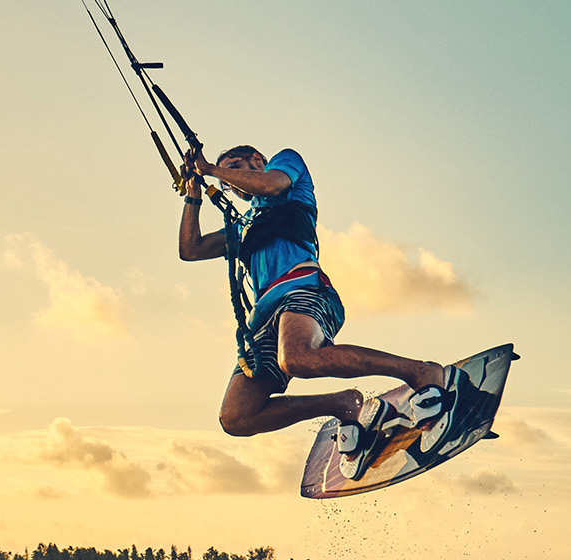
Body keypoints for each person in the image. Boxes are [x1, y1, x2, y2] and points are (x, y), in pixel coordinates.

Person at [177, 145, 467, 477]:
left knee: (298, 358)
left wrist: (212, 170)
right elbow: (191, 249)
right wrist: (194, 192)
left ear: (256, 160)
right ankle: (341, 403)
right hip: (263, 319)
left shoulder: (285, 167)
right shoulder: (244, 226)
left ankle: (421, 372)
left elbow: (271, 185)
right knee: (237, 417)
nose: (232, 182)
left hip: (302, 288)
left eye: (235, 168)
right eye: (228, 178)